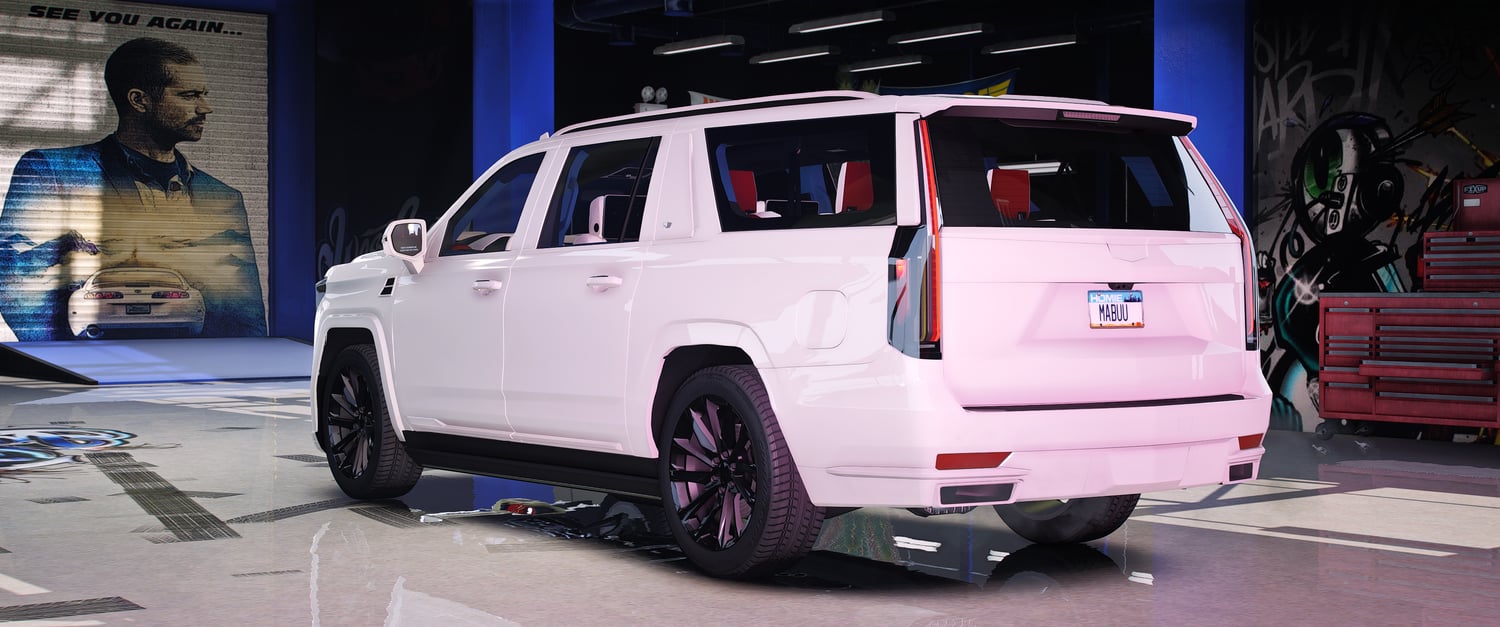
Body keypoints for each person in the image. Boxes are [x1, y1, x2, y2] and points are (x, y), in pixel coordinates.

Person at [0, 37, 265, 341]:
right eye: (189, 95)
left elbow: (245, 313)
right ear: (139, 101)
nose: (206, 107)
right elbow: (17, 287)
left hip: (195, 364)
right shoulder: (52, 170)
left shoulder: (223, 197)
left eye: (204, 94)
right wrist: (77, 361)